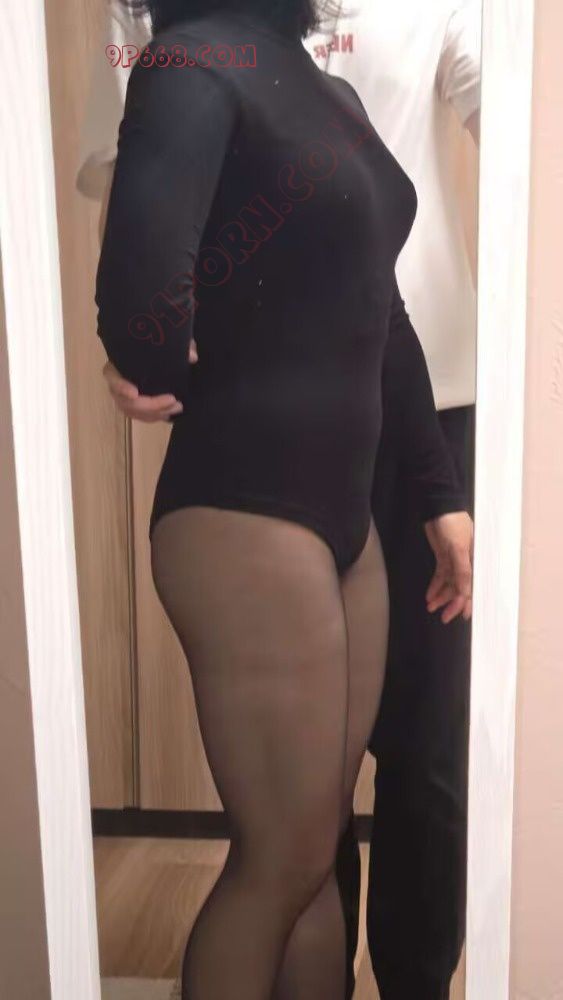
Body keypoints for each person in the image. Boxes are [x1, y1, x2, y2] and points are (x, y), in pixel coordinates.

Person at [83, 2, 473, 998]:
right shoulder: (186, 64)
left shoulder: (323, 90)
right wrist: (152, 355)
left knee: (312, 850)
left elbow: (382, 311)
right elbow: (140, 300)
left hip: (345, 519)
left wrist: (437, 494)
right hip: (243, 508)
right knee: (282, 859)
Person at [303, 2, 481, 998]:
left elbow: (523, 131)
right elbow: (141, 160)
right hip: (277, 401)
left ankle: (416, 982)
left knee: (425, 746)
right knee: (297, 749)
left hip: (434, 402)